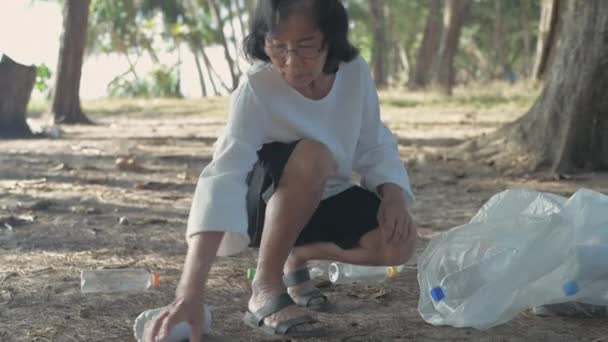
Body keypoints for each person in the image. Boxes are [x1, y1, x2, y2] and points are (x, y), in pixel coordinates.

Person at [144, 0, 418, 340]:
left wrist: (392, 197)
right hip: (263, 203)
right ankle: (265, 286)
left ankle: (296, 254)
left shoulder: (354, 72)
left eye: (305, 47)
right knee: (315, 155)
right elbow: (224, 176)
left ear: (330, 39)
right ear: (264, 43)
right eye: (277, 48)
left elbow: (374, 142)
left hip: (326, 194)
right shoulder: (257, 88)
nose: (291, 63)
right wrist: (188, 292)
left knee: (398, 244)